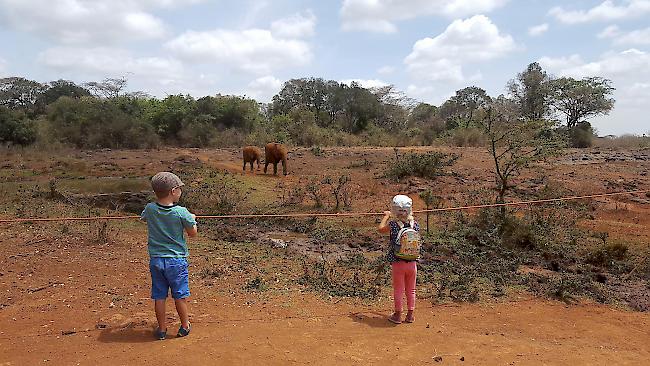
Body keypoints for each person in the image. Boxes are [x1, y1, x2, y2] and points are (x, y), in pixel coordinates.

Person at [141, 172, 198, 340]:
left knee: (159, 296)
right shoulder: (182, 212)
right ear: (173, 191)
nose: (180, 191)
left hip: (156, 260)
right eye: (179, 189)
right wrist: (192, 219)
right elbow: (192, 233)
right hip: (176, 261)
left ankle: (162, 330)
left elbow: (144, 217)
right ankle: (185, 326)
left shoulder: (150, 209)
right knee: (179, 295)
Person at [378, 194, 420, 324]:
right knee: (411, 289)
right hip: (412, 262)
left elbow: (380, 230)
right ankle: (410, 315)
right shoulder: (415, 225)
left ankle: (397, 315)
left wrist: (386, 216)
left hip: (398, 263)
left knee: (398, 289)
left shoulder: (393, 225)